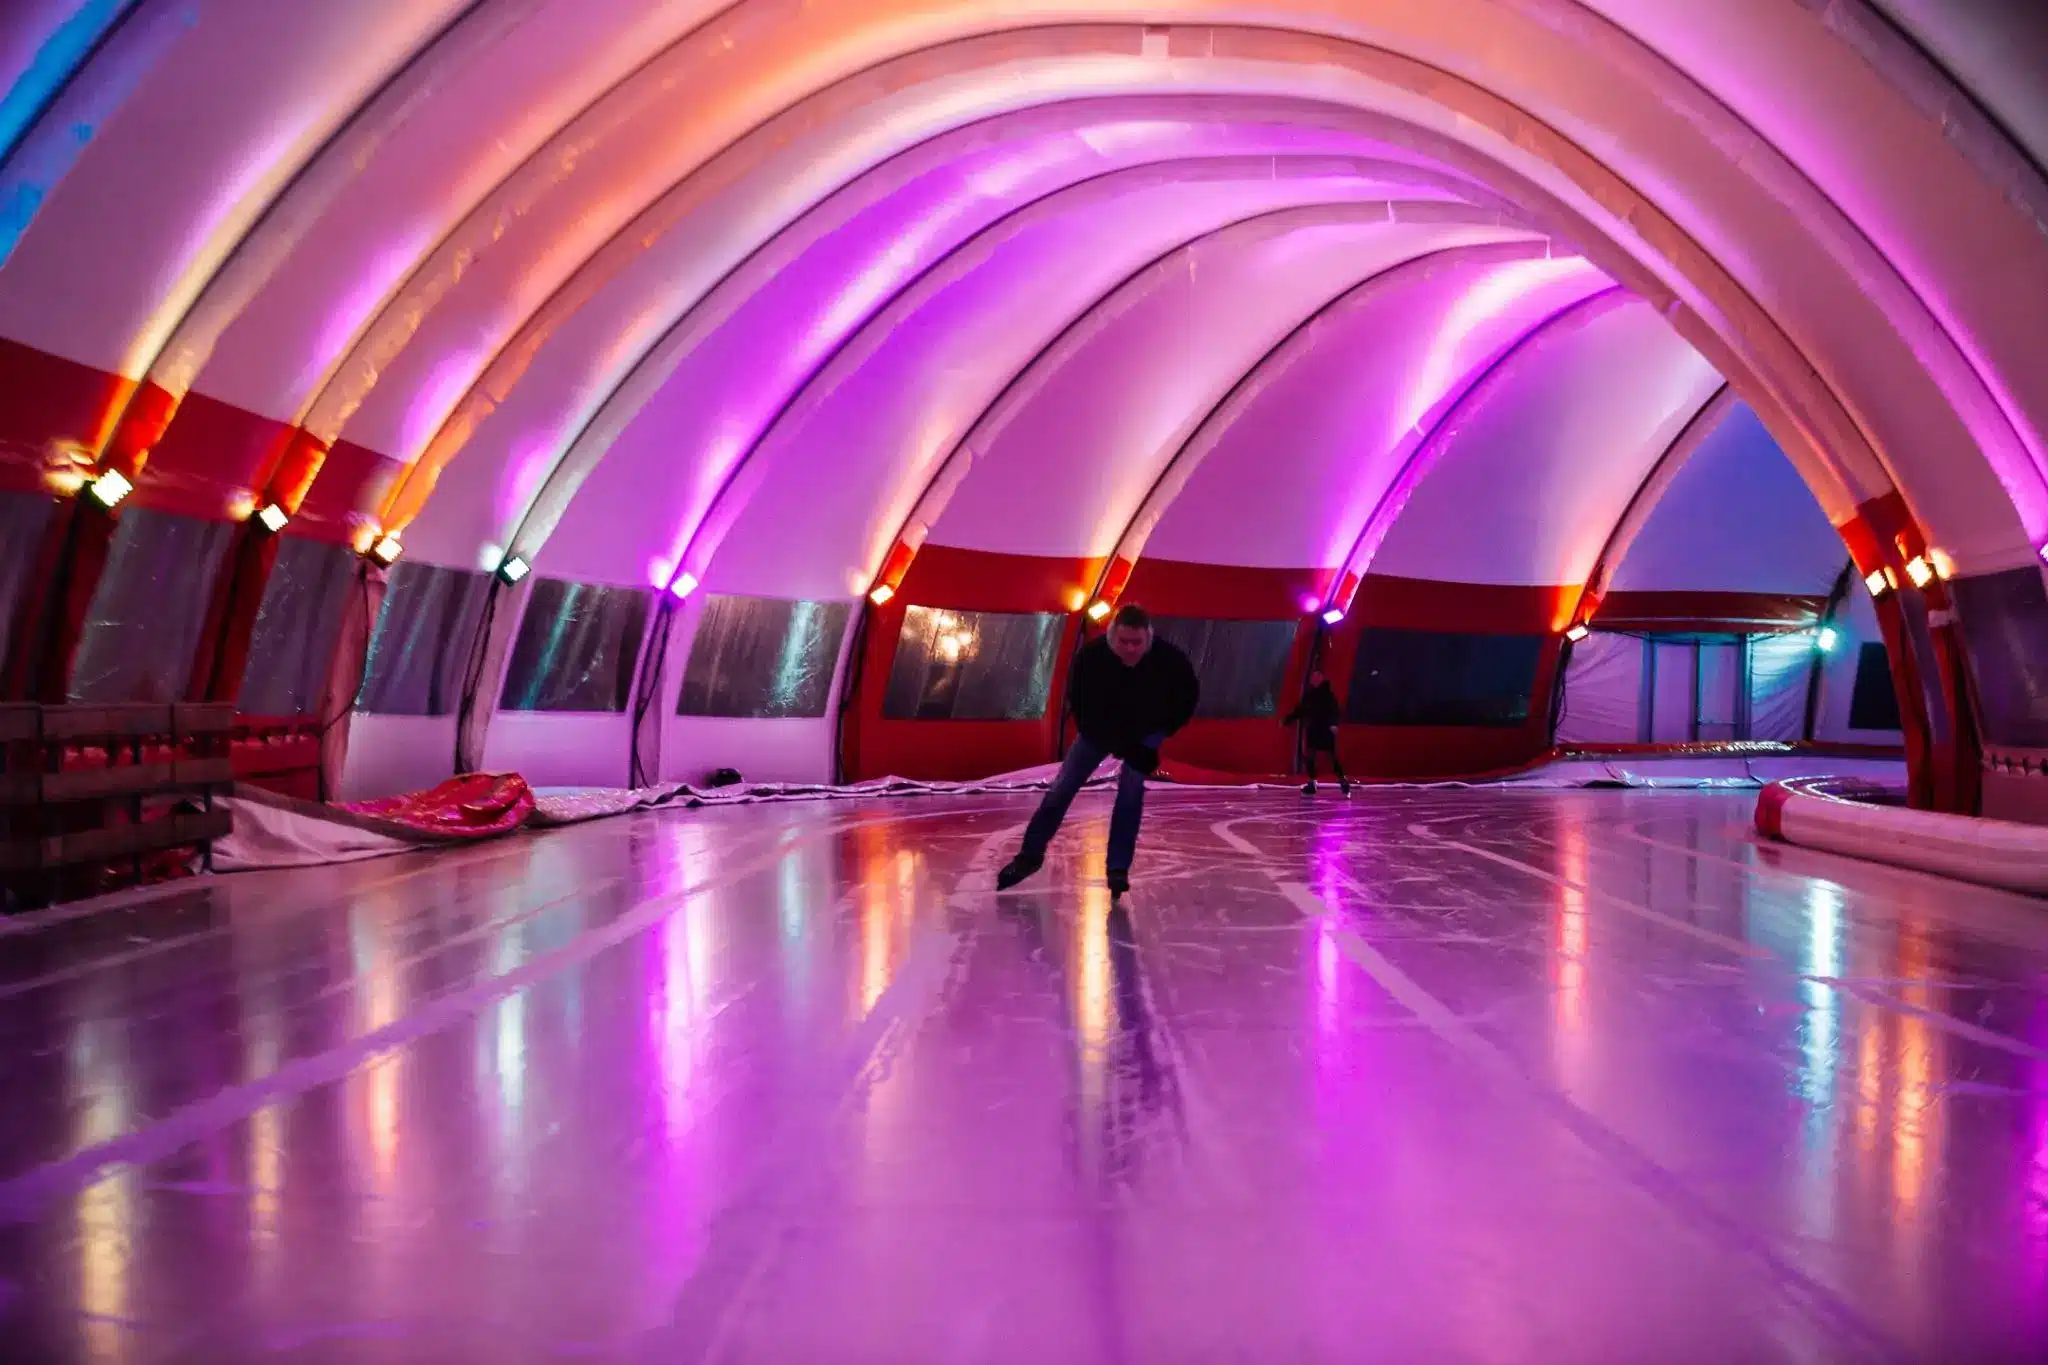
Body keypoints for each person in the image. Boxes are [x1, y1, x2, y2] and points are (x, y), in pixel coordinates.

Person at [996, 604, 1199, 898]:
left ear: (1149, 638)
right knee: (1062, 787)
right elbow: (1083, 708)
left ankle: (1118, 867)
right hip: (1099, 731)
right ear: (1111, 636)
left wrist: (1162, 733)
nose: (1130, 649)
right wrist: (1117, 743)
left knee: (1131, 790)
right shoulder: (1090, 659)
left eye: (1137, 643)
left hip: (1145, 732)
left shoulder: (1170, 660)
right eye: (1124, 642)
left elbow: (1187, 697)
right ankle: (1029, 856)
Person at [1284, 667, 1350, 796]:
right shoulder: (1309, 694)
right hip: (1313, 729)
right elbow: (1300, 709)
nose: (1314, 679)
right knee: (1310, 757)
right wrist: (1288, 719)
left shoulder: (1328, 695)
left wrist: (1333, 724)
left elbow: (1334, 710)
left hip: (1325, 729)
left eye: (1317, 676)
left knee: (1332, 758)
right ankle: (1312, 783)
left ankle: (1343, 782)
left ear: (1322, 678)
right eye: (1313, 677)